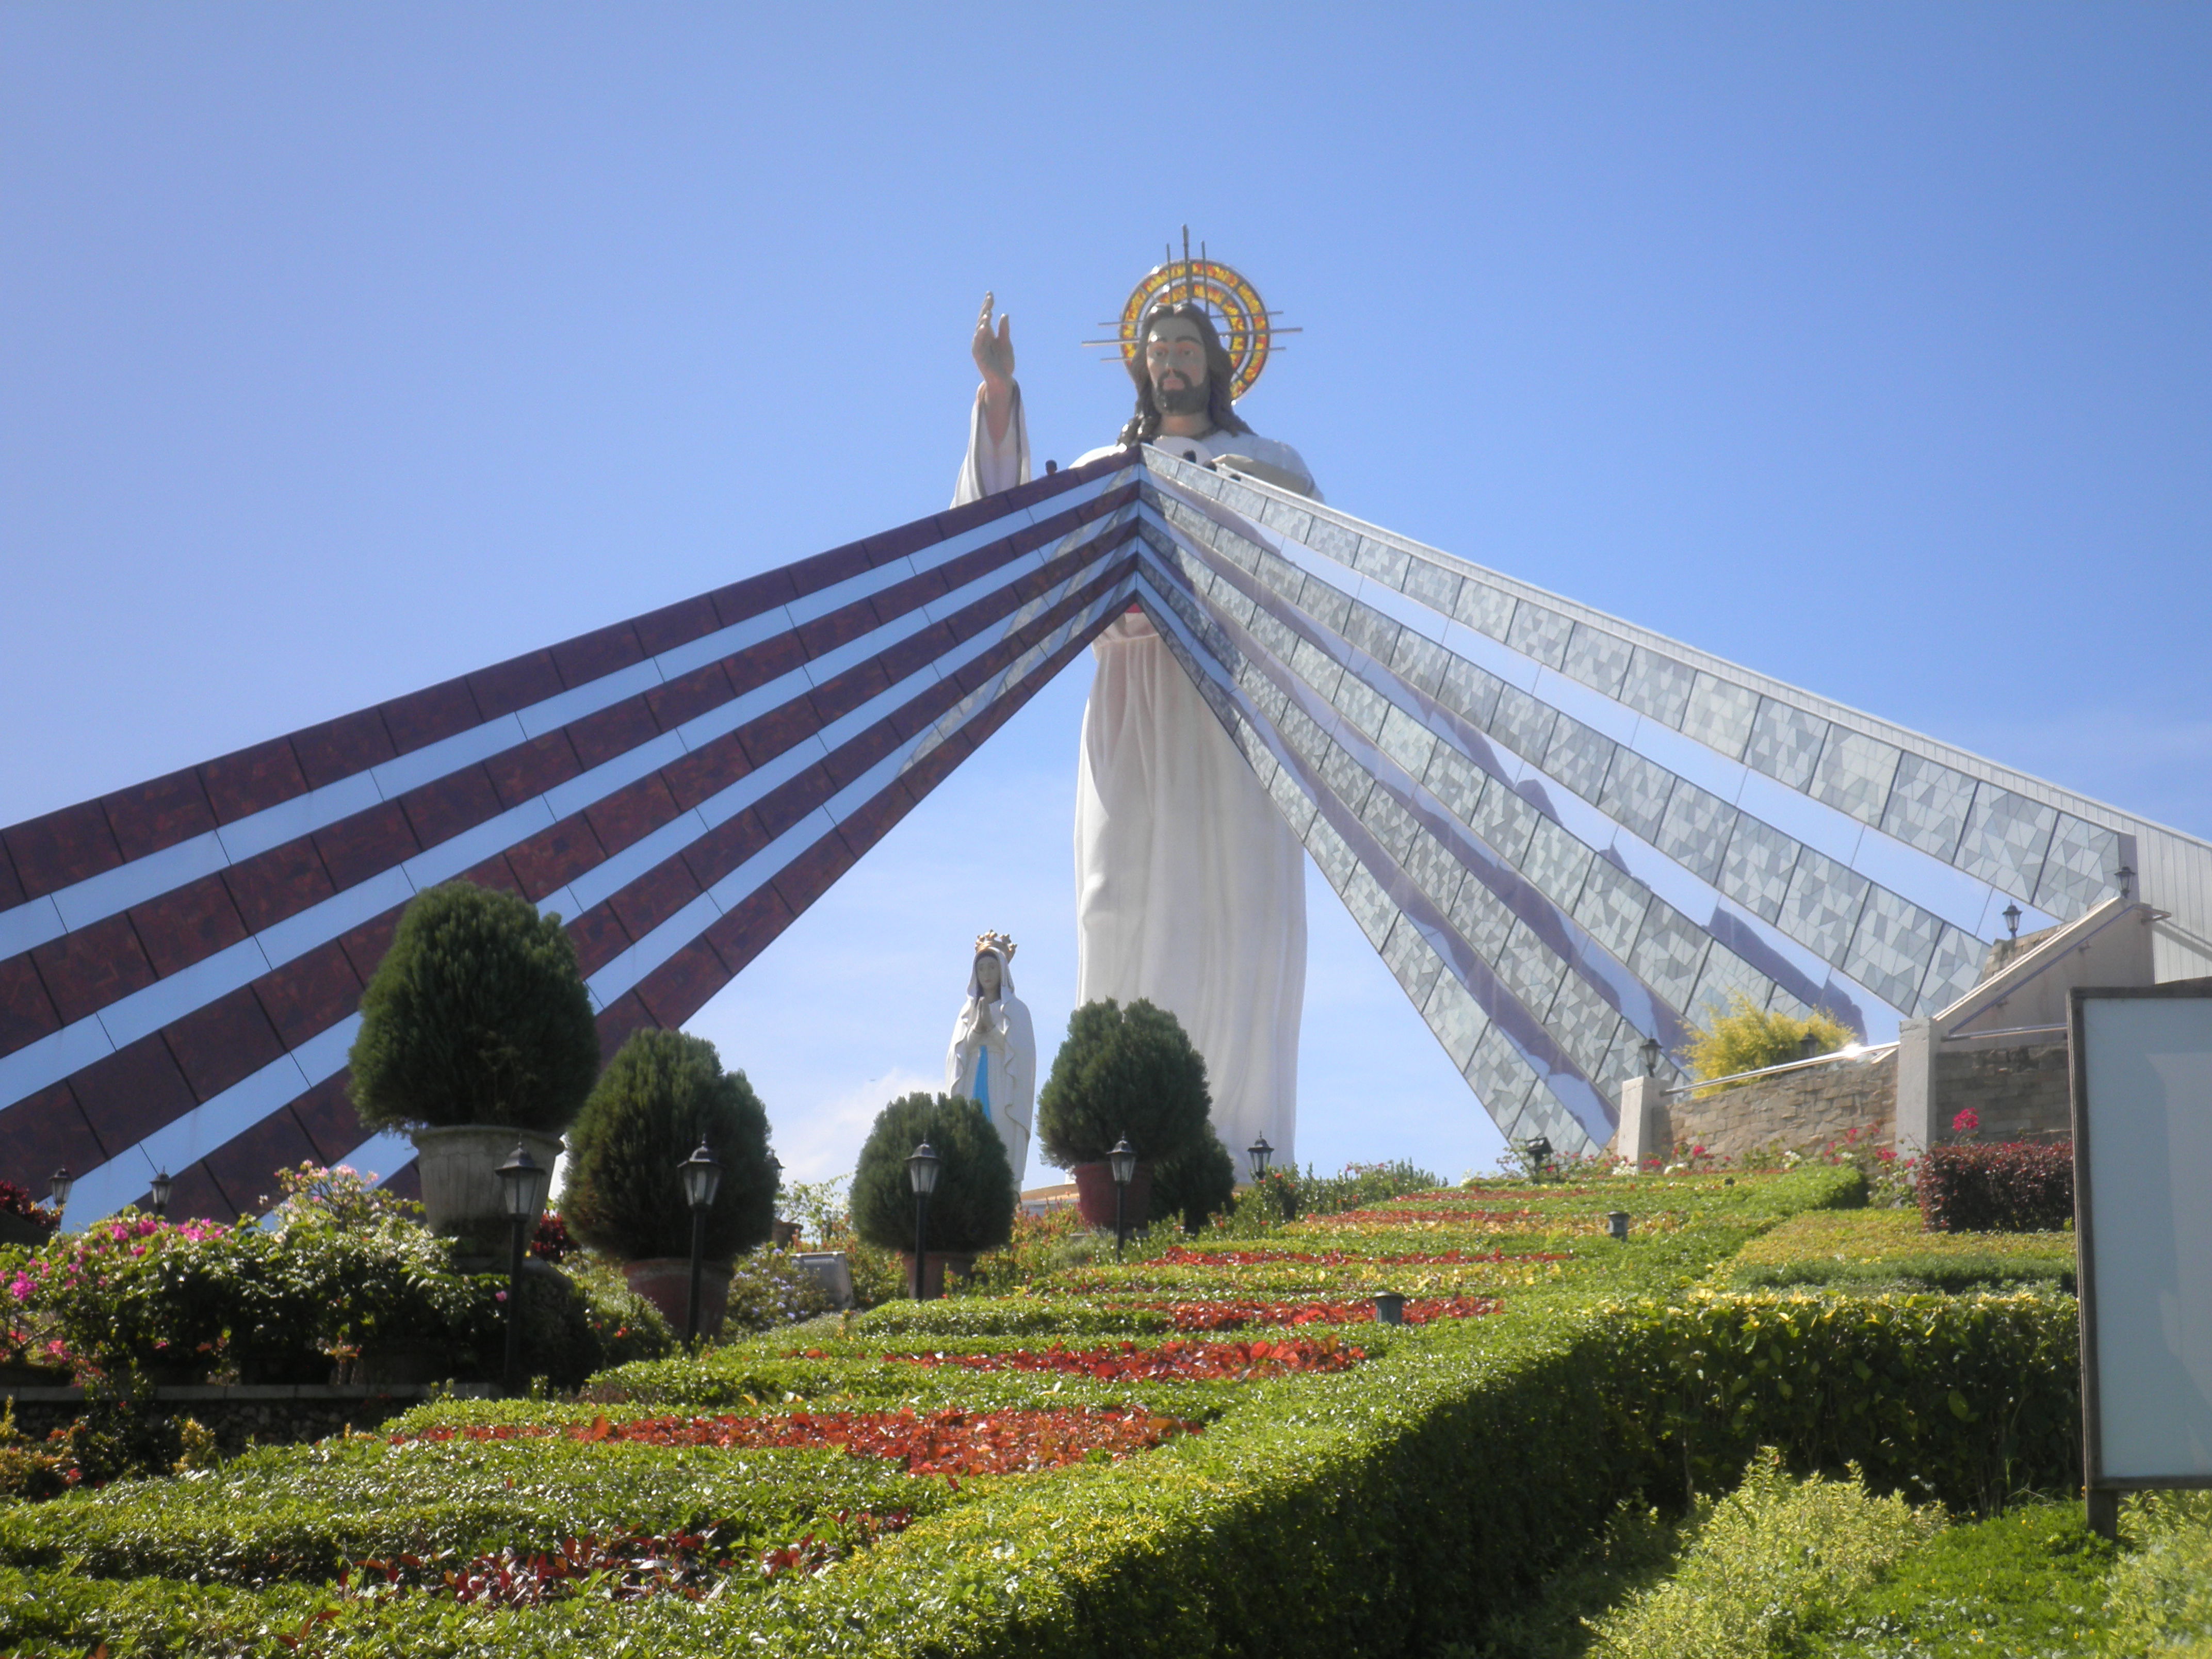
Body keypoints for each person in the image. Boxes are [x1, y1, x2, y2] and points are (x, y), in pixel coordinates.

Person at [952, 294, 1312, 1168]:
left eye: (1186, 346)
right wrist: (997, 398)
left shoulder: (1270, 465)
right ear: (1139, 366)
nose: (1171, 362)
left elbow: (1310, 577)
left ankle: (1239, 1148)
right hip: (1128, 703)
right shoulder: (1104, 465)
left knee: (1239, 911)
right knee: (1114, 900)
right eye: (1157, 350)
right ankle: (1119, 1140)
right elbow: (1007, 546)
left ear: (1217, 362)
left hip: (1230, 707)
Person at [944, 932, 1036, 1185]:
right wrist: (977, 1029)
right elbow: (957, 1058)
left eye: (992, 967)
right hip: (973, 1080)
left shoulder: (1017, 1011)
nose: (986, 974)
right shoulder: (966, 1013)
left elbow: (1023, 1059)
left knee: (1000, 1141)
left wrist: (992, 1031)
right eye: (981, 968)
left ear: (1002, 970)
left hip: (1003, 1088)